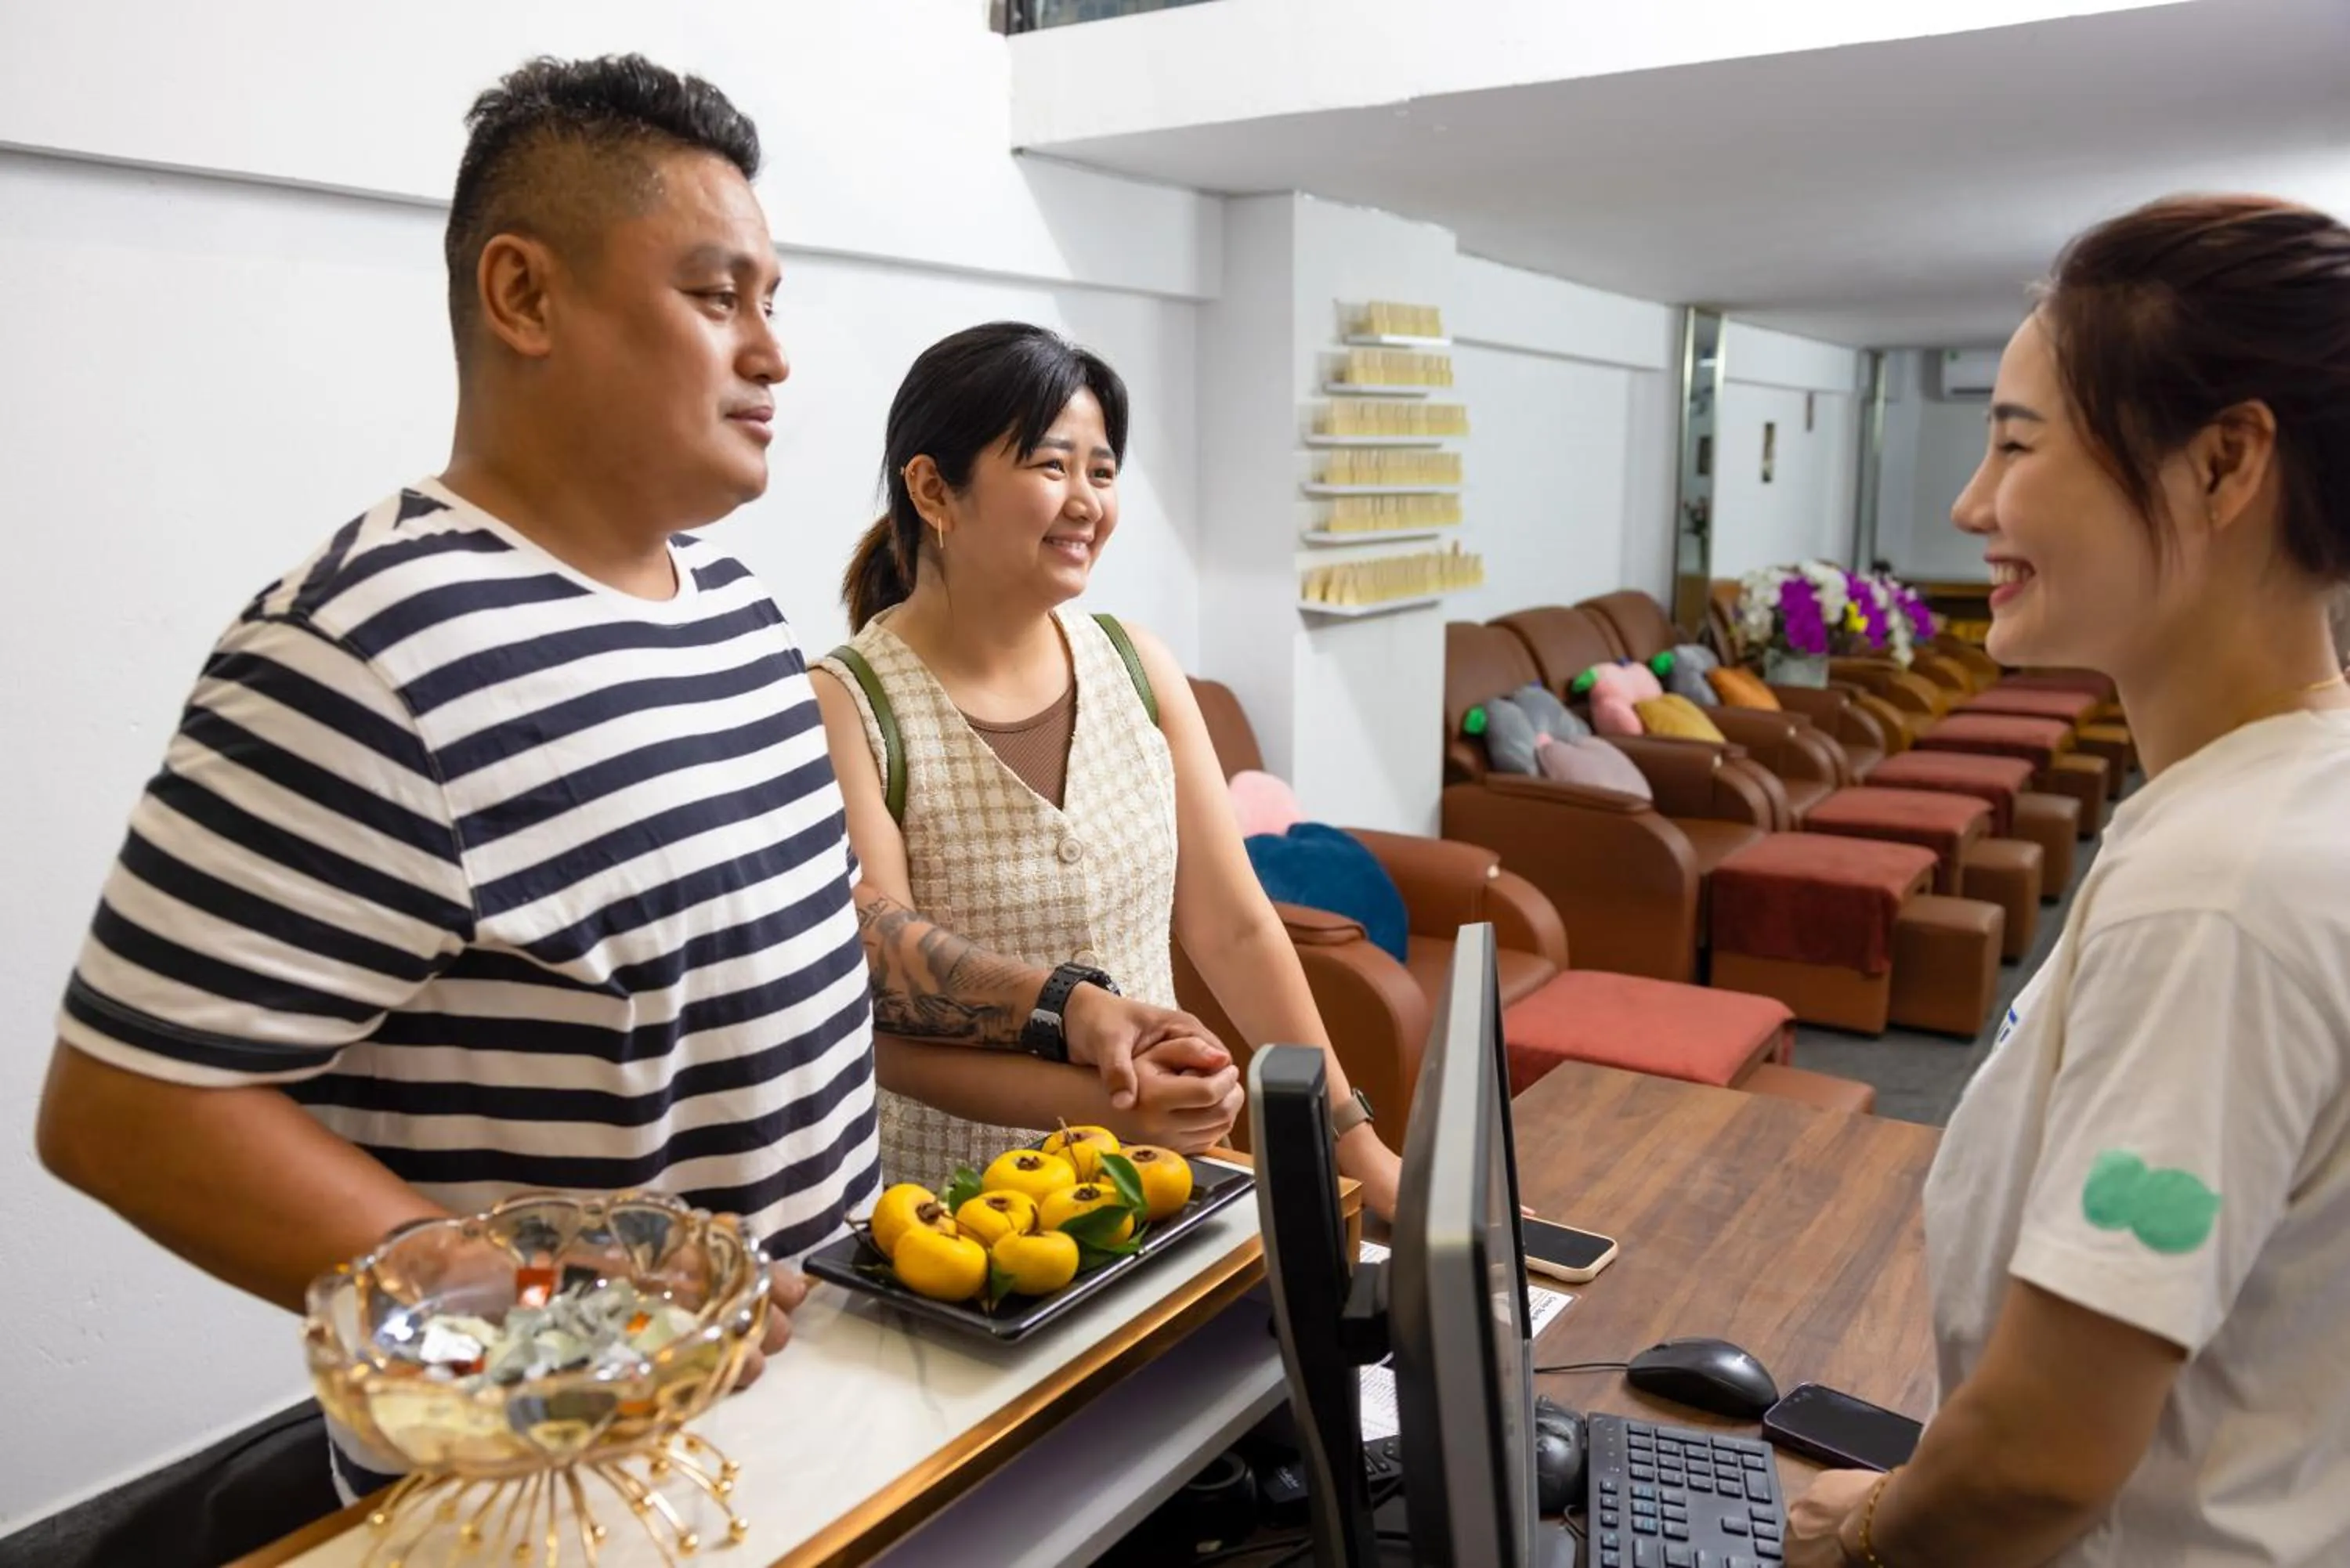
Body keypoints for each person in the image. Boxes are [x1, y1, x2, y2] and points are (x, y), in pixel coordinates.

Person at [29, 56, 1199, 1515]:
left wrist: (1059, 1010)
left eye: (773, 303)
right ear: (524, 297)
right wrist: (548, 1313)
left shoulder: (735, 609)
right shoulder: (371, 649)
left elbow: (819, 932)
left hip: (817, 1414)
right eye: (717, 300)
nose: (771, 353)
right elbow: (127, 1105)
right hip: (551, 1485)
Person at [1787, 196, 2350, 1566]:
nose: (1972, 503)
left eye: (2017, 443)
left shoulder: (2224, 892)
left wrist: (1864, 1535)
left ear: (2223, 463)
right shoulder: (2279, 801)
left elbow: (2043, 1456)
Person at [813, 323, 1405, 1218]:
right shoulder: (849, 704)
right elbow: (883, 1015)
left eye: (1102, 470)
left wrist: (1354, 1140)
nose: (1087, 499)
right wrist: (1114, 1104)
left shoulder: (1139, 666)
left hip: (1161, 1194)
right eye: (1053, 466)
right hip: (963, 1225)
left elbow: (1236, 930)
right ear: (934, 488)